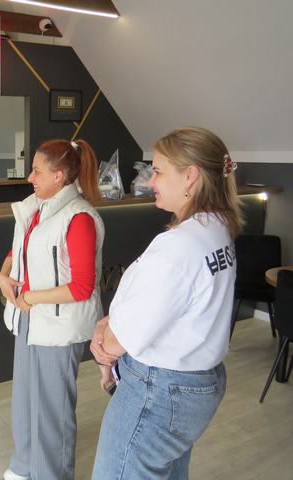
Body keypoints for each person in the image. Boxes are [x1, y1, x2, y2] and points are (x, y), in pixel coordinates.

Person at [90, 126, 244, 480]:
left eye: (158, 171)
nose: (150, 180)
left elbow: (119, 341)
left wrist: (104, 344)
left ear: (190, 177)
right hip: (194, 386)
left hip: (158, 393)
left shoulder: (179, 247)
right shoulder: (218, 227)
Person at [0, 139, 105, 480]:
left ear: (59, 176)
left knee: (53, 411)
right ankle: (24, 466)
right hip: (29, 318)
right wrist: (3, 275)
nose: (30, 177)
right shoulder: (36, 209)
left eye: (37, 171)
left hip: (59, 326)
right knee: (26, 399)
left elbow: (82, 286)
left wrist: (31, 297)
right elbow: (18, 251)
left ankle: (52, 474)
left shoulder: (79, 218)